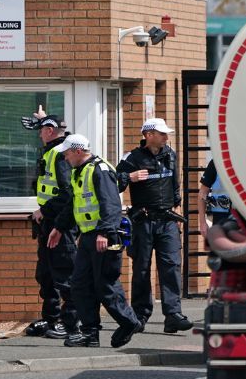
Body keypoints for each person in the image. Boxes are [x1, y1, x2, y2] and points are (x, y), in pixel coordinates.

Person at [49, 134, 140, 348]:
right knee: (80, 285)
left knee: (105, 284)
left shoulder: (101, 170)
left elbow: (111, 204)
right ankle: (90, 334)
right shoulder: (79, 171)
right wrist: (60, 228)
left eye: (67, 153)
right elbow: (74, 203)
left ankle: (129, 322)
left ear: (78, 151)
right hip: (88, 237)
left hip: (103, 237)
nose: (64, 158)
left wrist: (105, 232)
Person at [116, 118, 193, 333]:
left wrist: (177, 208)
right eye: (162, 133)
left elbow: (175, 184)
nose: (166, 137)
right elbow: (113, 181)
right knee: (141, 268)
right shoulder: (132, 157)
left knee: (171, 266)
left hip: (167, 220)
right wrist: (129, 176)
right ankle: (139, 316)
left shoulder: (170, 154)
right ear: (148, 135)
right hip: (143, 220)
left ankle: (173, 315)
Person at [22, 109, 79, 340]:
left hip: (60, 225)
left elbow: (68, 193)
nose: (38, 135)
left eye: (41, 131)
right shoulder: (53, 151)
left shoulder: (60, 155)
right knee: (45, 275)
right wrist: (42, 117)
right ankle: (51, 318)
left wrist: (43, 211)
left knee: (65, 276)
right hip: (48, 223)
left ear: (49, 131)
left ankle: (71, 323)